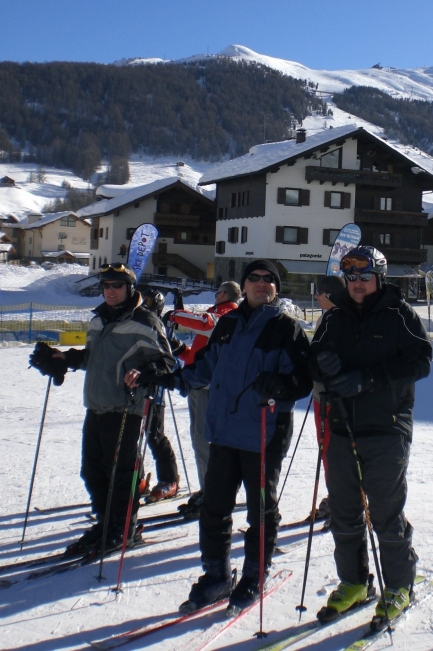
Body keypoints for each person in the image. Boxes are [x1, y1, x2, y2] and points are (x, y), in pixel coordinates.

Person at [178, 260, 312, 614]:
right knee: (214, 508)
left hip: (263, 432)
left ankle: (254, 574)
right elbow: (205, 367)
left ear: (276, 290)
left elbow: (304, 380)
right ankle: (217, 576)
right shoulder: (228, 324)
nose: (261, 284)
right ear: (244, 285)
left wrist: (283, 385)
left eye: (269, 280)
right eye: (254, 278)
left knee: (261, 511)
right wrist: (168, 377)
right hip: (224, 430)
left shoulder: (287, 329)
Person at [309, 246, 431, 624]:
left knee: (385, 512)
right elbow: (312, 358)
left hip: (386, 425)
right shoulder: (334, 317)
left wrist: (368, 380)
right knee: (344, 511)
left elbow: (420, 361)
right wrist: (321, 364)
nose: (358, 283)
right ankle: (355, 582)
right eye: (352, 277)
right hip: (342, 425)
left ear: (379, 277)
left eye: (365, 276)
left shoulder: (399, 313)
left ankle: (398, 585)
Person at [29, 264, 175, 552]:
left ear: (130, 289)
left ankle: (123, 529)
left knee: (120, 473)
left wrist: (144, 372)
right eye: (106, 285)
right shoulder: (98, 320)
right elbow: (93, 358)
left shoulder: (145, 321)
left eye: (116, 286)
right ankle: (106, 523)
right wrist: (63, 359)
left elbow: (167, 363)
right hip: (96, 406)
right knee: (92, 471)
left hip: (124, 409)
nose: (110, 291)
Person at [169, 281, 241, 518]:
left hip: (209, 385)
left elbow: (204, 323)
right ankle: (210, 489)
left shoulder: (226, 313)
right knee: (202, 437)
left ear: (223, 294)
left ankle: (212, 493)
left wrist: (174, 314)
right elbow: (199, 354)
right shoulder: (220, 314)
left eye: (217, 292)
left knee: (204, 438)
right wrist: (180, 350)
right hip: (202, 382)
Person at [139, 288, 183, 502]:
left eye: (148, 301)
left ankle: (169, 480)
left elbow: (173, 359)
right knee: (129, 436)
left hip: (154, 391)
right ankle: (135, 478)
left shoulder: (162, 326)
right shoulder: (133, 320)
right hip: (131, 389)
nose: (145, 304)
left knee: (154, 435)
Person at [311, 274, 346, 520]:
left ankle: (340, 497)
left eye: (320, 293)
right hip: (321, 394)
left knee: (331, 449)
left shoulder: (340, 319)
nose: (316, 296)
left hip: (331, 397)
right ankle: (337, 495)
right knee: (326, 448)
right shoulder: (329, 317)